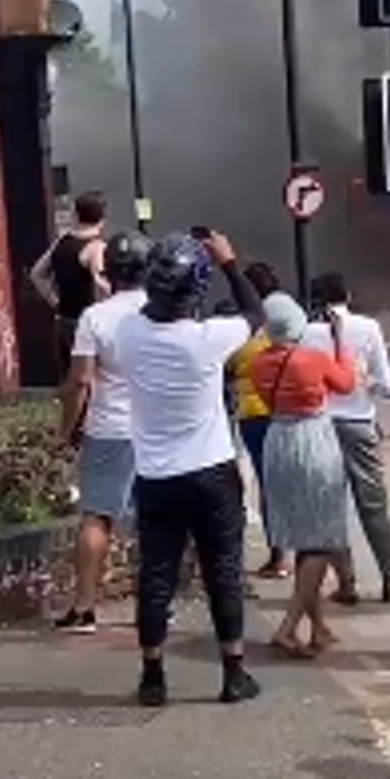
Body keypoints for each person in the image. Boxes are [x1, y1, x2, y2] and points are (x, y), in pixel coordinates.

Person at [114, 229, 262, 707]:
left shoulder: (128, 334)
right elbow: (255, 312)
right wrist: (228, 261)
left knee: (156, 575)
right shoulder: (208, 338)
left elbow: (142, 314)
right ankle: (234, 673)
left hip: (156, 476)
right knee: (223, 571)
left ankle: (152, 676)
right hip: (212, 472)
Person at [249, 292, 358, 657]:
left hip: (278, 440)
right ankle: (287, 627)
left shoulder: (258, 363)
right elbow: (346, 383)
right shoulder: (311, 358)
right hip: (313, 441)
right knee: (321, 539)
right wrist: (340, 341)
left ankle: (319, 628)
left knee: (302, 538)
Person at [55, 230, 152, 634]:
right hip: (156, 431)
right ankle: (153, 607)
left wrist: (66, 431)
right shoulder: (162, 312)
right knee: (154, 522)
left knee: (97, 517)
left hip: (109, 428)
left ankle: (84, 608)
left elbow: (80, 382)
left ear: (108, 272)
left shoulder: (95, 317)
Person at [306, 272, 390, 606]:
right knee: (373, 505)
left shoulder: (306, 333)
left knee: (331, 505)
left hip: (320, 425)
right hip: (358, 421)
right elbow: (384, 382)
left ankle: (347, 582)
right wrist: (361, 382)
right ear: (348, 295)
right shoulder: (368, 328)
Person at [226, 261, 290, 579]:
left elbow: (227, 371)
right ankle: (299, 551)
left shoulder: (241, 333)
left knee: (267, 484)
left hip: (253, 415)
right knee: (283, 481)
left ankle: (279, 555)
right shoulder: (282, 325)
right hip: (283, 411)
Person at [30, 191, 109, 382]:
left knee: (70, 378)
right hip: (87, 324)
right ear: (103, 217)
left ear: (76, 214)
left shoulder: (62, 241)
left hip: (64, 320)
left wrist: (55, 302)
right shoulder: (96, 247)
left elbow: (37, 274)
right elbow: (101, 284)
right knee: (93, 379)